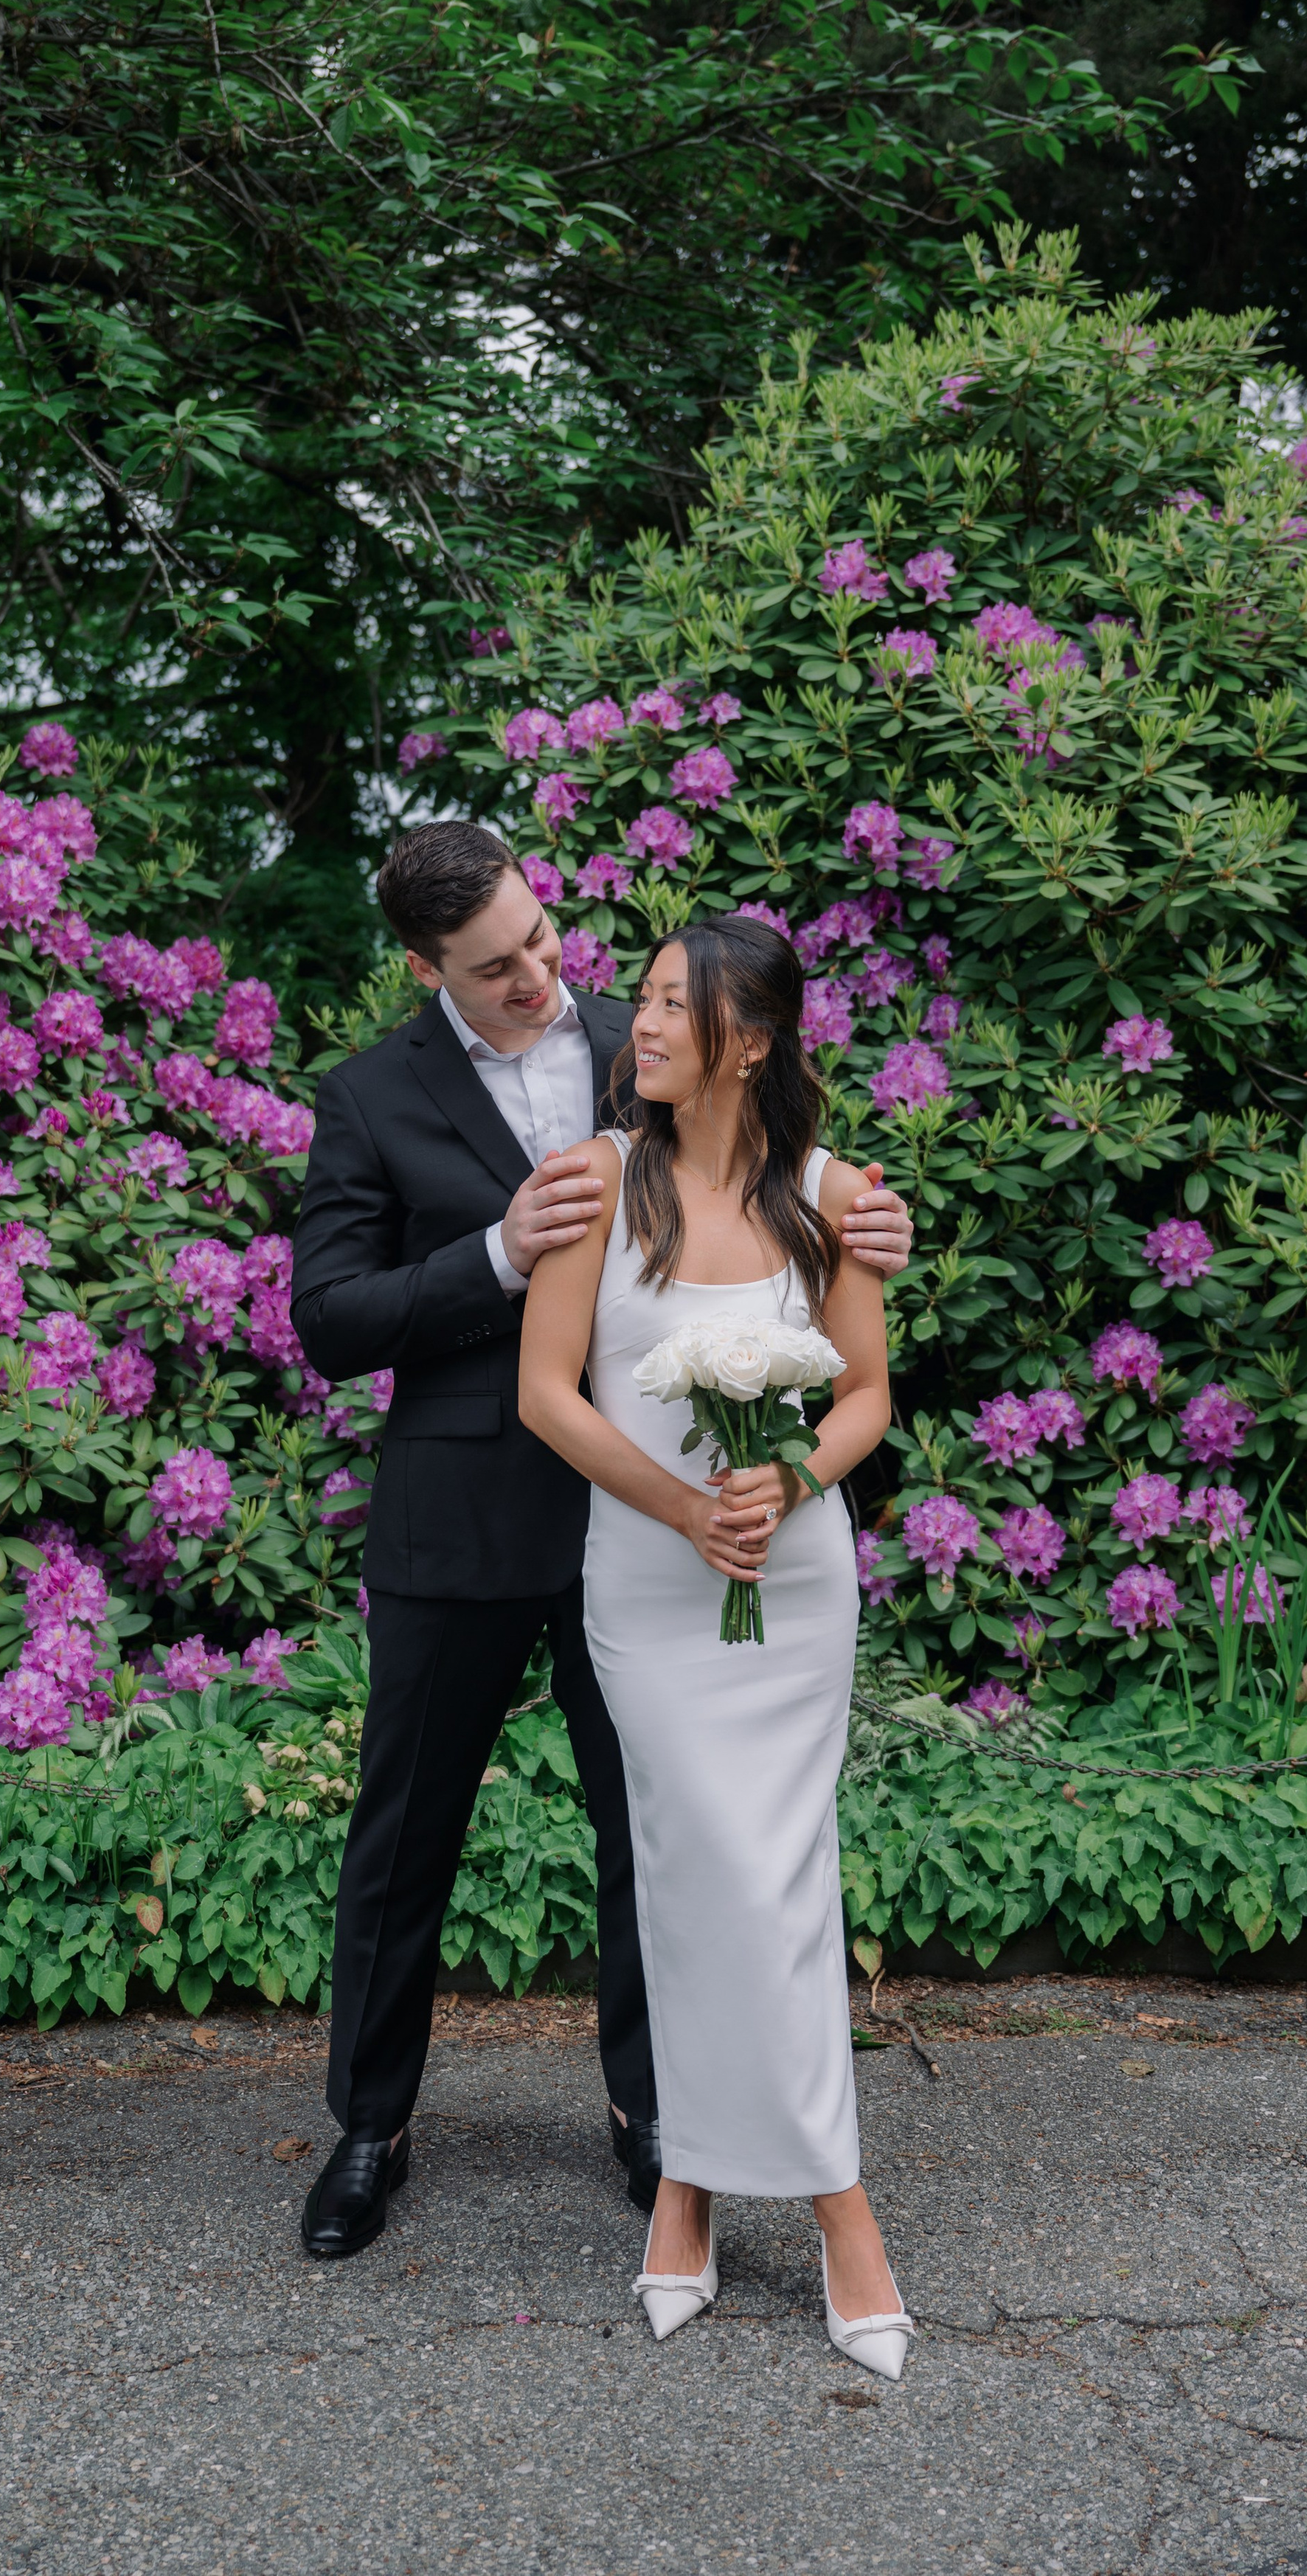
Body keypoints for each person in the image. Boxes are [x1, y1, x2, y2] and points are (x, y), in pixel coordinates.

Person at [289, 824, 915, 2261]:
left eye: (541, 939)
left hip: (649, 1521)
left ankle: (660, 2126)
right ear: (423, 968)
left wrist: (858, 1214)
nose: (535, 978)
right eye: (493, 967)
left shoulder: (648, 1037)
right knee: (405, 1845)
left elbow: (762, 1176)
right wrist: (499, 1253)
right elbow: (326, 1324)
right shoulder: (368, 1098)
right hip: (456, 1523)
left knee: (653, 1837)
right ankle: (370, 2129)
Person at [518, 912, 915, 2380]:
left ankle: (753, 2194)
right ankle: (774, 2192)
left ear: (748, 1039)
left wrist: (790, 1477)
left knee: (775, 1876)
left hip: (793, 1589)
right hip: (651, 1582)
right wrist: (687, 1506)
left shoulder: (833, 1197)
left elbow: (863, 1396)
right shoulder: (587, 1186)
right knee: (698, 1875)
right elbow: (548, 1398)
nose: (645, 1027)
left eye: (677, 1009)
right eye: (647, 1004)